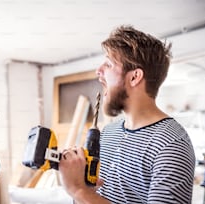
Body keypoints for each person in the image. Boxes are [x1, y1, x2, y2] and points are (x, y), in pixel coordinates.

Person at [59, 25, 196, 204]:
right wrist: (82, 184)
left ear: (134, 77)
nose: (98, 71)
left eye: (108, 64)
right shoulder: (108, 133)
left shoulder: (170, 145)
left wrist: (78, 190)